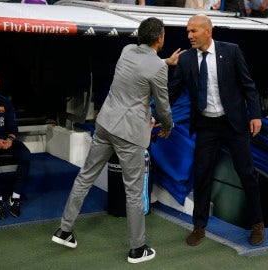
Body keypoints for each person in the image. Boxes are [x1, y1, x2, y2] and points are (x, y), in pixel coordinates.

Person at [51, 17, 183, 264]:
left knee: (85, 177)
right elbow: (163, 107)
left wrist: (166, 62)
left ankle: (64, 230)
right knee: (133, 192)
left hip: (105, 124)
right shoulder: (157, 67)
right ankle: (137, 249)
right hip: (130, 135)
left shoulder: (127, 51)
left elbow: (142, 69)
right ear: (159, 39)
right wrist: (167, 126)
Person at [168, 14, 264, 247]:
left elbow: (248, 86)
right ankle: (199, 227)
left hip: (233, 124)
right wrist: (157, 114)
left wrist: (256, 115)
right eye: (187, 31)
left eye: (193, 31)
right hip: (206, 126)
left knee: (247, 174)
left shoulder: (231, 51)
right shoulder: (186, 59)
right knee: (201, 176)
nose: (189, 36)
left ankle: (257, 224)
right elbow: (172, 91)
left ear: (207, 31)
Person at [0, 73, 31, 220]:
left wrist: (10, 139)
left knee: (25, 155)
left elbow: (12, 125)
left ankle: (15, 198)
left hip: (5, 141)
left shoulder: (5, 102)